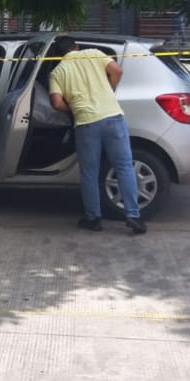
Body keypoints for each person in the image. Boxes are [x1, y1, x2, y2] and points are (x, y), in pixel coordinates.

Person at [48, 36, 147, 234]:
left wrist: (73, 108)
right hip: (113, 117)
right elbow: (117, 71)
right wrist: (109, 90)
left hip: (85, 123)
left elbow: (57, 103)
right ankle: (133, 216)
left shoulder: (57, 72)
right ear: (77, 46)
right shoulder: (93, 53)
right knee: (124, 167)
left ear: (57, 54)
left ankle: (93, 218)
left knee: (89, 173)